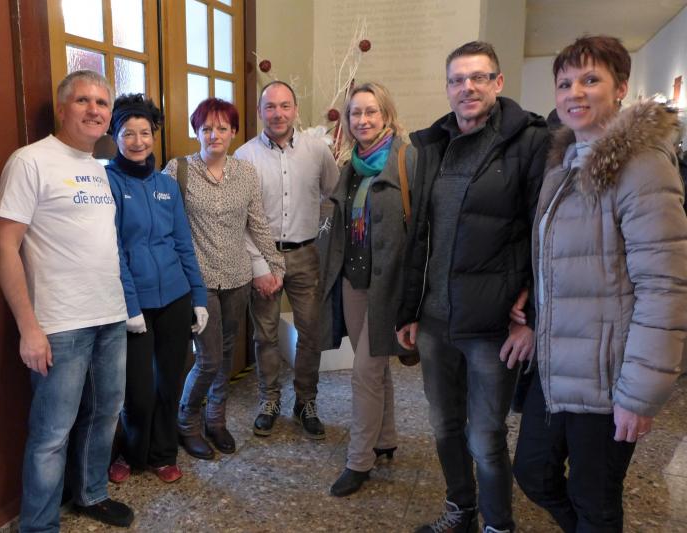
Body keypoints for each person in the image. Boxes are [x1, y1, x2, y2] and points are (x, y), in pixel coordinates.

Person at [512, 35, 687, 532]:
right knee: (533, 474)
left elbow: (665, 288)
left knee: (594, 499)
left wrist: (640, 394)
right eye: (565, 83)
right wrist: (532, 315)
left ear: (621, 88)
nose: (574, 92)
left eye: (590, 79)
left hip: (609, 375)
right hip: (557, 363)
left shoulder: (643, 166)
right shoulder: (563, 163)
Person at [395, 41, 549, 533]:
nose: (468, 87)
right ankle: (460, 510)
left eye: (479, 77)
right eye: (458, 79)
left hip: (492, 324)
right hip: (435, 320)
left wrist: (532, 314)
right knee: (443, 426)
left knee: (485, 437)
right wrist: (409, 310)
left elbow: (542, 234)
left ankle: (498, 525)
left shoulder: (529, 142)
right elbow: (420, 236)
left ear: (498, 83)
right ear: (448, 88)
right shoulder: (434, 145)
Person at [0, 70, 134, 531]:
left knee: (105, 414)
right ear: (61, 107)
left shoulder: (100, 168)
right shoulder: (30, 161)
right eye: (83, 101)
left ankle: (92, 494)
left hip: (109, 316)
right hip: (59, 324)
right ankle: (39, 525)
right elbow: (4, 247)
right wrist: (28, 328)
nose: (94, 110)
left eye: (102, 103)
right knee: (52, 433)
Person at [162, 98, 286, 460]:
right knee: (208, 359)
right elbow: (164, 225)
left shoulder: (245, 173)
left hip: (237, 278)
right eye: (206, 128)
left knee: (227, 353)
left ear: (233, 132)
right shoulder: (178, 170)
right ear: (196, 132)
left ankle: (216, 420)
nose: (213, 135)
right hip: (197, 281)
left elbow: (257, 224)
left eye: (221, 128)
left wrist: (275, 265)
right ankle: (187, 422)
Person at [319, 82, 418, 496]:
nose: (362, 120)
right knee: (375, 367)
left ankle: (359, 460)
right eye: (355, 113)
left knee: (363, 372)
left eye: (370, 111)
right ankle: (386, 437)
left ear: (386, 115)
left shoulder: (407, 160)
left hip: (387, 286)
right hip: (353, 281)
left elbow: (421, 228)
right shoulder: (351, 166)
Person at [105, 94, 208, 485]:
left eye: (145, 132)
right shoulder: (107, 183)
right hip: (135, 304)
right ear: (115, 136)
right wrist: (130, 306)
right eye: (128, 133)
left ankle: (163, 454)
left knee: (170, 383)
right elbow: (113, 250)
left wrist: (199, 297)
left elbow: (183, 243)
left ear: (154, 135)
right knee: (139, 390)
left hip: (175, 298)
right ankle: (131, 454)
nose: (138, 141)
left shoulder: (166, 185)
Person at [234, 81, 339, 439]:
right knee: (265, 335)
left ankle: (306, 401)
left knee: (310, 332)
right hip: (263, 257)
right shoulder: (244, 157)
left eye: (284, 106)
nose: (277, 113)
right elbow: (240, 219)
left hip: (306, 255)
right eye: (270, 107)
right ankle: (269, 400)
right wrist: (258, 266)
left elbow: (333, 192)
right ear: (260, 112)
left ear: (295, 110)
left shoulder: (317, 151)